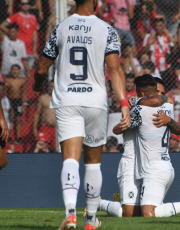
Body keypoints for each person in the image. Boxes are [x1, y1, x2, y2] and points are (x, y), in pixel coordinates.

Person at [32, 0, 130, 229]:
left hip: (67, 100)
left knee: (70, 159)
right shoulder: (107, 30)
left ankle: (70, 213)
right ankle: (91, 219)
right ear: (95, 2)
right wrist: (124, 102)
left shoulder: (61, 27)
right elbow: (115, 69)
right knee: (93, 163)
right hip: (95, 101)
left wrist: (38, 84)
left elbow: (41, 68)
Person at [98, 74, 180, 218]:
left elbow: (116, 129)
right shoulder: (167, 107)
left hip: (153, 168)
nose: (160, 97)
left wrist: (134, 104)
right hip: (144, 166)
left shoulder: (140, 110)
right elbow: (173, 119)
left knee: (147, 213)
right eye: (158, 92)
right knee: (134, 214)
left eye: (162, 93)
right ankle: (113, 201)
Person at [1, 0, 39, 68]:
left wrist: (34, 51)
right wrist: (11, 33)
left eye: (27, 3)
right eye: (23, 4)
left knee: (28, 72)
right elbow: (2, 26)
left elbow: (35, 35)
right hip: (19, 49)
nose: (25, 5)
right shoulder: (16, 16)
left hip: (30, 51)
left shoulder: (33, 18)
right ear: (19, 5)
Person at [33, 80, 56, 150]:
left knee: (56, 149)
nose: (52, 88)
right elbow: (37, 113)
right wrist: (34, 127)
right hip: (45, 127)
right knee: (42, 148)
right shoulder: (43, 98)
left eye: (54, 87)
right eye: (51, 86)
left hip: (57, 128)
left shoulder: (62, 99)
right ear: (48, 87)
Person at [5, 64, 25, 144]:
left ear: (19, 71)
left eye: (16, 70)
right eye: (13, 70)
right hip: (10, 100)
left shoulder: (22, 81)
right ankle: (8, 136)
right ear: (10, 71)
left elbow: (23, 92)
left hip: (18, 100)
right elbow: (5, 93)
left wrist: (23, 103)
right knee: (10, 118)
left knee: (18, 119)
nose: (15, 71)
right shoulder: (8, 80)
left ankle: (18, 137)